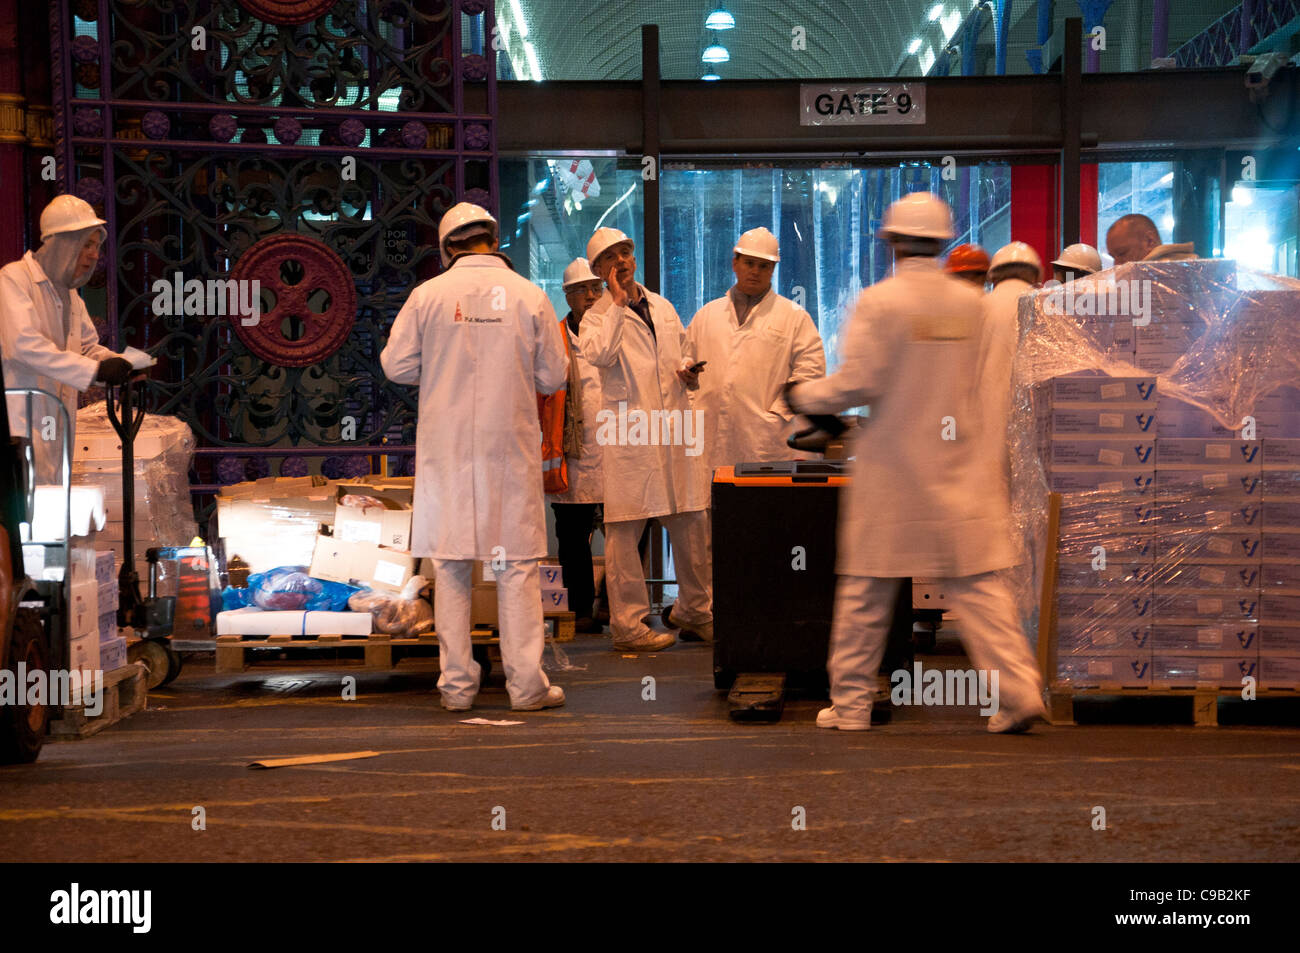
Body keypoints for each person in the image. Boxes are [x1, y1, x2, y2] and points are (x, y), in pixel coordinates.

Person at [785, 192, 1046, 733]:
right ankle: (1020, 694)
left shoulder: (882, 303)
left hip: (894, 473)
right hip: (959, 470)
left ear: (894, 242)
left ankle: (851, 707)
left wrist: (805, 395)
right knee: (978, 589)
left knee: (865, 592)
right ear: (943, 241)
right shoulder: (972, 304)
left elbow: (861, 382)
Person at [380, 201, 569, 712]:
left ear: (447, 249)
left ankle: (458, 688)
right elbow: (554, 377)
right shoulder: (530, 296)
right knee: (516, 571)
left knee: (453, 567)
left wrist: (441, 365)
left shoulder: (427, 295)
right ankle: (527, 687)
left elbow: (396, 366)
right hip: (509, 451)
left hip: (448, 454)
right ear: (493, 239)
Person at [578, 227, 712, 652]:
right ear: (600, 271)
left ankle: (695, 611)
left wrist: (687, 371)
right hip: (629, 432)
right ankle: (628, 624)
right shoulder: (598, 316)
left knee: (691, 519)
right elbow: (598, 355)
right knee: (625, 529)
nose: (622, 261)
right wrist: (617, 305)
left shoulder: (663, 306)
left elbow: (679, 353)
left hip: (673, 428)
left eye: (626, 252)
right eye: (611, 258)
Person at [0, 195, 135, 483]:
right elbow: (23, 346)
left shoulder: (71, 297)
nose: (93, 255)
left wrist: (119, 364)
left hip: (54, 425)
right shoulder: (14, 280)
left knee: (50, 512)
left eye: (96, 247)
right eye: (86, 244)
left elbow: (86, 347)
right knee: (20, 516)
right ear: (61, 243)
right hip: (20, 424)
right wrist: (95, 371)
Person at [687, 226, 826, 468]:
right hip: (708, 433)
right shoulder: (706, 315)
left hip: (766, 438)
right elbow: (684, 362)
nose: (755, 272)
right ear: (735, 263)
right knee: (710, 500)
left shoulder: (794, 317)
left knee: (760, 502)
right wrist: (692, 399)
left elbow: (810, 374)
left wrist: (776, 414)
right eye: (749, 263)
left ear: (773, 269)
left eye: (764, 266)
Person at [548, 257, 607, 634]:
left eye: (595, 288)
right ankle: (581, 608)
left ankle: (614, 605)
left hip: (619, 447)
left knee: (625, 534)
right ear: (567, 296)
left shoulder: (620, 329)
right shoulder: (553, 337)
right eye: (581, 290)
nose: (590, 296)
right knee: (571, 537)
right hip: (572, 453)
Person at [1105, 213, 1197, 265]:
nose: (1116, 264)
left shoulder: (1181, 273)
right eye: (1113, 257)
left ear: (1150, 241)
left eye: (1122, 253)